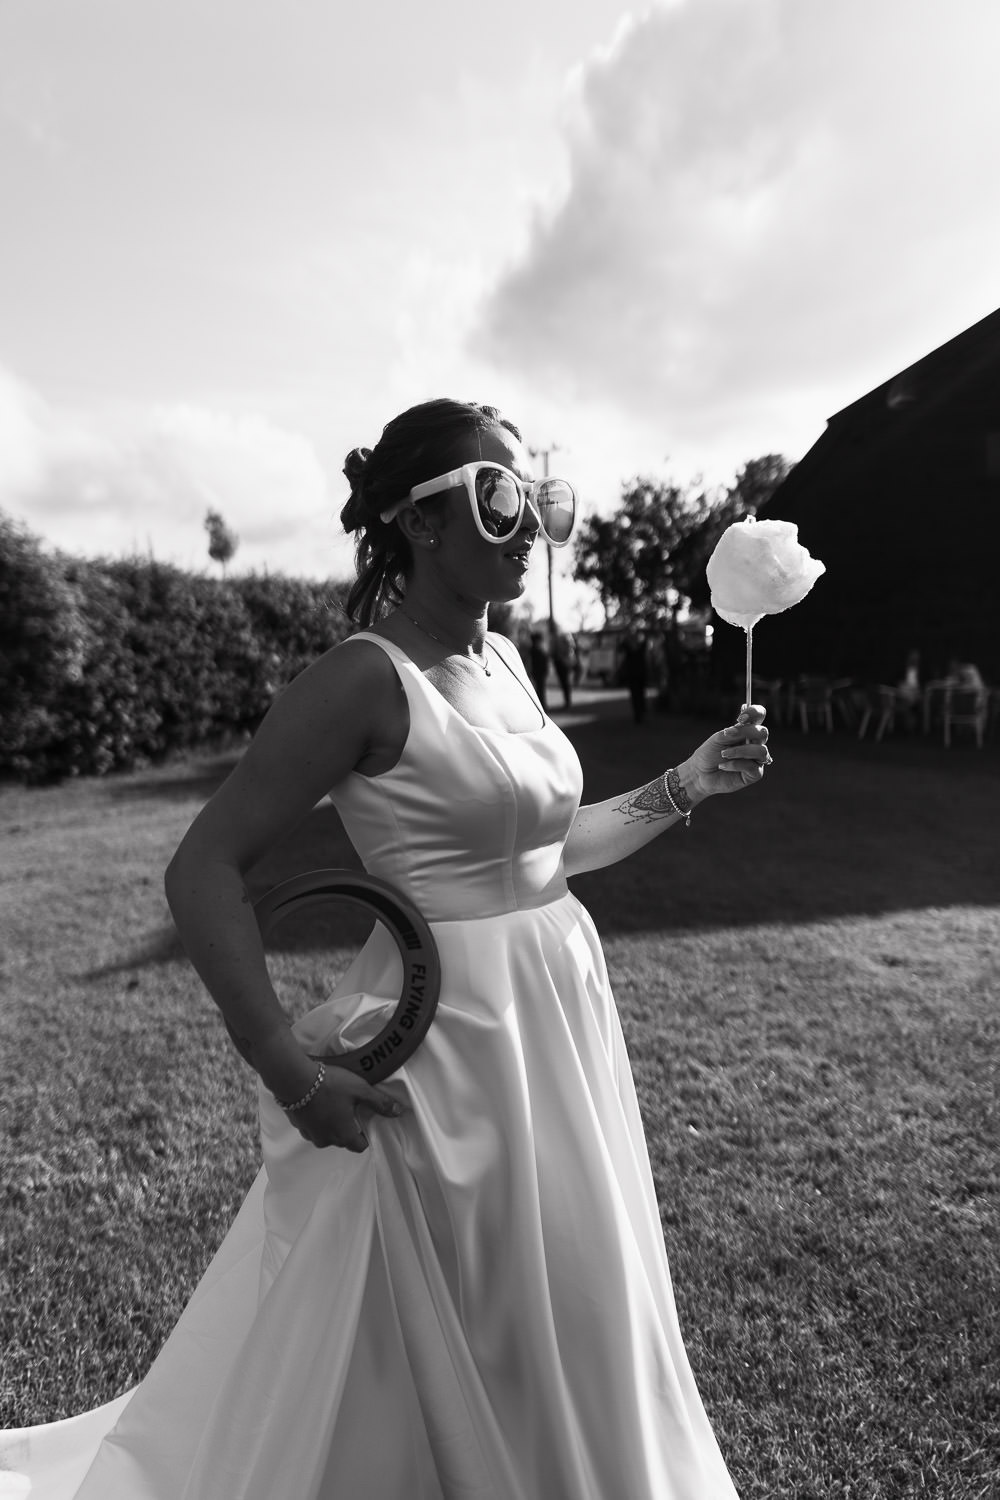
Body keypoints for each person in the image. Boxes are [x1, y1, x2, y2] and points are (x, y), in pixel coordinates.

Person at [1, 398, 771, 1499]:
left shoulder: (506, 660)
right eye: (498, 499)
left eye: (535, 500)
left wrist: (684, 783)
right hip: (450, 1054)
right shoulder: (362, 677)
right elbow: (202, 870)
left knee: (581, 1295)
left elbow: (544, 856)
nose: (527, 527)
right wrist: (288, 1064)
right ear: (417, 523)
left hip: (557, 1025)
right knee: (469, 1315)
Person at [620, 625, 649, 724]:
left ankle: (639, 713)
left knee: (637, 694)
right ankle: (640, 713)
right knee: (639, 693)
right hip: (637, 672)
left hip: (634, 672)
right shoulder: (641, 642)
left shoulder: (627, 642)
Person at [549, 623, 576, 710]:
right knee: (563, 682)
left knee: (565, 682)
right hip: (559, 661)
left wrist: (563, 655)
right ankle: (567, 701)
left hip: (564, 661)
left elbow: (571, 646)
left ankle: (568, 701)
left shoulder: (564, 635)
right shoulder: (554, 637)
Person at [528, 626, 549, 711]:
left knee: (541, 690)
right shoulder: (533, 651)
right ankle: (540, 706)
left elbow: (545, 662)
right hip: (535, 673)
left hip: (541, 673)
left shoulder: (541, 650)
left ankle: (543, 706)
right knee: (537, 690)